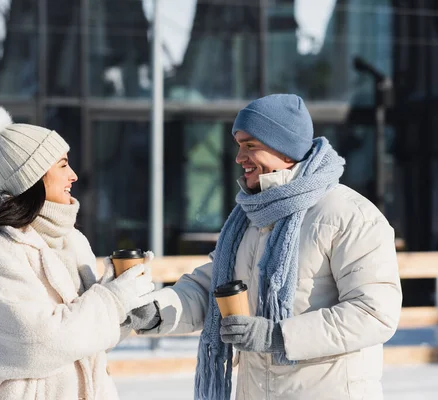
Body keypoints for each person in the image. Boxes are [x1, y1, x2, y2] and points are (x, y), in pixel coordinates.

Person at [135, 94, 403, 399]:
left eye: (250, 146)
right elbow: (215, 287)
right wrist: (158, 310)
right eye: (238, 145)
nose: (239, 157)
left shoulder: (349, 215)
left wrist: (278, 336)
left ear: (285, 151)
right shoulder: (252, 217)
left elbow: (373, 314)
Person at [0, 105, 156, 400]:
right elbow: (40, 343)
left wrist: (125, 305)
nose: (73, 175)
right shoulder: (0, 251)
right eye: (62, 165)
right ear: (33, 177)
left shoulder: (72, 241)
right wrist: (112, 301)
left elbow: (86, 340)